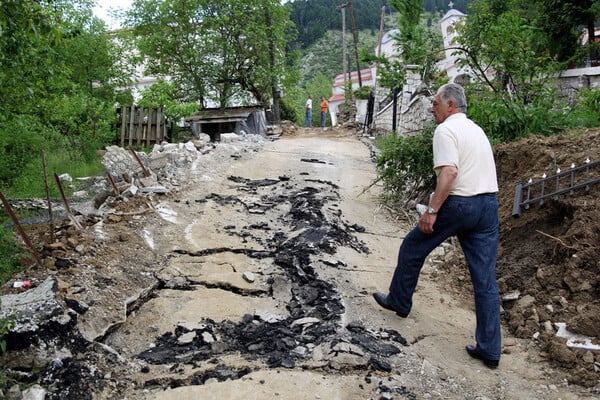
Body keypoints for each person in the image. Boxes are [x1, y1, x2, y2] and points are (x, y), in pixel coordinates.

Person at [372, 83, 501, 369]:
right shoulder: (476, 130)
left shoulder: (445, 130)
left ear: (451, 105)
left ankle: (399, 301)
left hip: (461, 204)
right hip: (489, 206)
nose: (431, 108)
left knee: (413, 247)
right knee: (485, 281)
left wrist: (432, 210)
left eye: (435, 103)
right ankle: (491, 349)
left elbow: (450, 172)